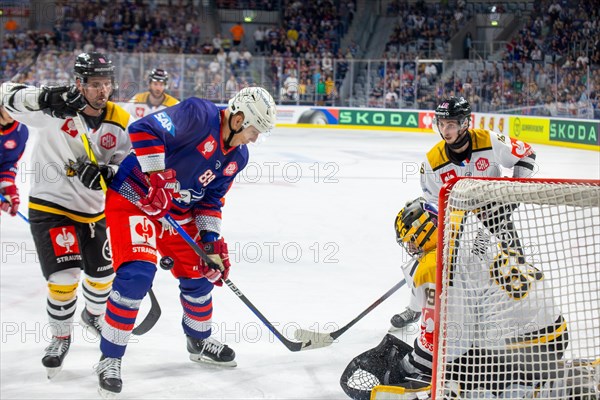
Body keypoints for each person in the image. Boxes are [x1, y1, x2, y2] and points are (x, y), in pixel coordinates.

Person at [94, 86, 277, 396]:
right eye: (254, 129)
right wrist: (156, 178)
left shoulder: (238, 157)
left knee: (203, 273)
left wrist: (210, 242)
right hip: (135, 199)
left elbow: (211, 199)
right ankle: (109, 358)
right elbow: (143, 129)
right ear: (238, 118)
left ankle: (198, 339)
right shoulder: (198, 114)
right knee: (137, 274)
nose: (255, 138)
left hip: (175, 213)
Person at [340, 198, 569, 399]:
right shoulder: (467, 227)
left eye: (410, 240)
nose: (410, 248)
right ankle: (540, 378)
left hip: (526, 348)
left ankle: (550, 390)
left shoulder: (433, 266)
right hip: (555, 331)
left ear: (424, 232)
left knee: (452, 375)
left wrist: (406, 367)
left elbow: (452, 340)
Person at [0, 52, 133, 379]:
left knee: (102, 281)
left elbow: (128, 167)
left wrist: (107, 172)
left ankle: (92, 315)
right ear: (79, 84)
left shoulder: (120, 119)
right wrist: (44, 96)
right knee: (63, 280)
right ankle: (60, 337)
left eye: (107, 84)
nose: (103, 91)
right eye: (95, 84)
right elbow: (5, 93)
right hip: (51, 207)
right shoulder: (52, 108)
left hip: (93, 211)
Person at [389, 96, 537, 330]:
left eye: (450, 124)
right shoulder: (432, 161)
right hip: (456, 219)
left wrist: (513, 195)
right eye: (441, 124)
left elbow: (526, 154)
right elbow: (433, 204)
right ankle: (416, 307)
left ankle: (520, 313)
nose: (444, 130)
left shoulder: (488, 140)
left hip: (494, 214)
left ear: (465, 123)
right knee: (436, 263)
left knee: (514, 262)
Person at [0, 106, 29, 217]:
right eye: (8, 105)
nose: (13, 110)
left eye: (15, 105)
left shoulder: (21, 131)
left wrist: (6, 185)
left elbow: (8, 162)